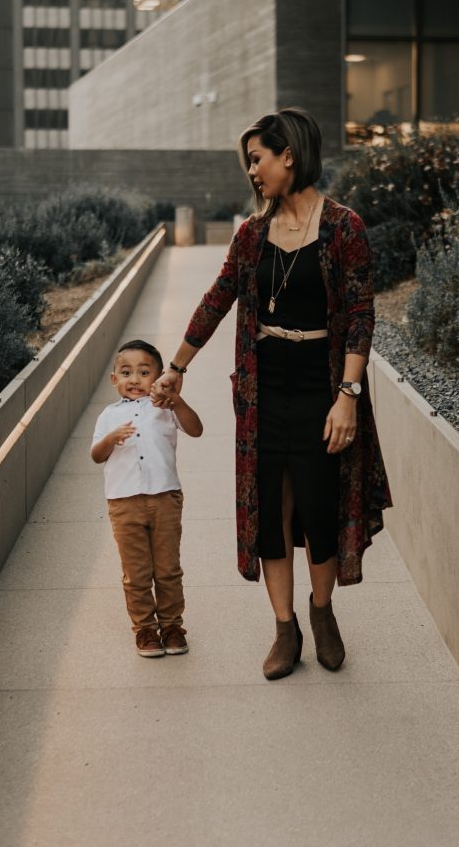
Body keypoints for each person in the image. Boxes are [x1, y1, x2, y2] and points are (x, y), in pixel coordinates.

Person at [152, 107, 392, 680]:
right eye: (249, 162)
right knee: (272, 515)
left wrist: (348, 394)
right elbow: (218, 298)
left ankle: (322, 611)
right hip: (264, 392)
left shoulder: (343, 227)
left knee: (320, 503)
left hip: (321, 383)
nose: (252, 171)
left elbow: (361, 314)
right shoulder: (252, 234)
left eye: (258, 159)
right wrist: (177, 366)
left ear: (290, 154)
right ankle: (285, 629)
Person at [91, 339, 203, 658]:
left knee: (167, 568)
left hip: (165, 498)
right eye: (126, 372)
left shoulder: (165, 410)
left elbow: (196, 429)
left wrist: (177, 401)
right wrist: (111, 439)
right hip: (123, 503)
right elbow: (96, 455)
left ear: (158, 377)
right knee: (137, 572)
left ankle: (171, 625)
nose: (135, 379)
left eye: (144, 372)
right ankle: (144, 629)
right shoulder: (108, 416)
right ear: (114, 379)